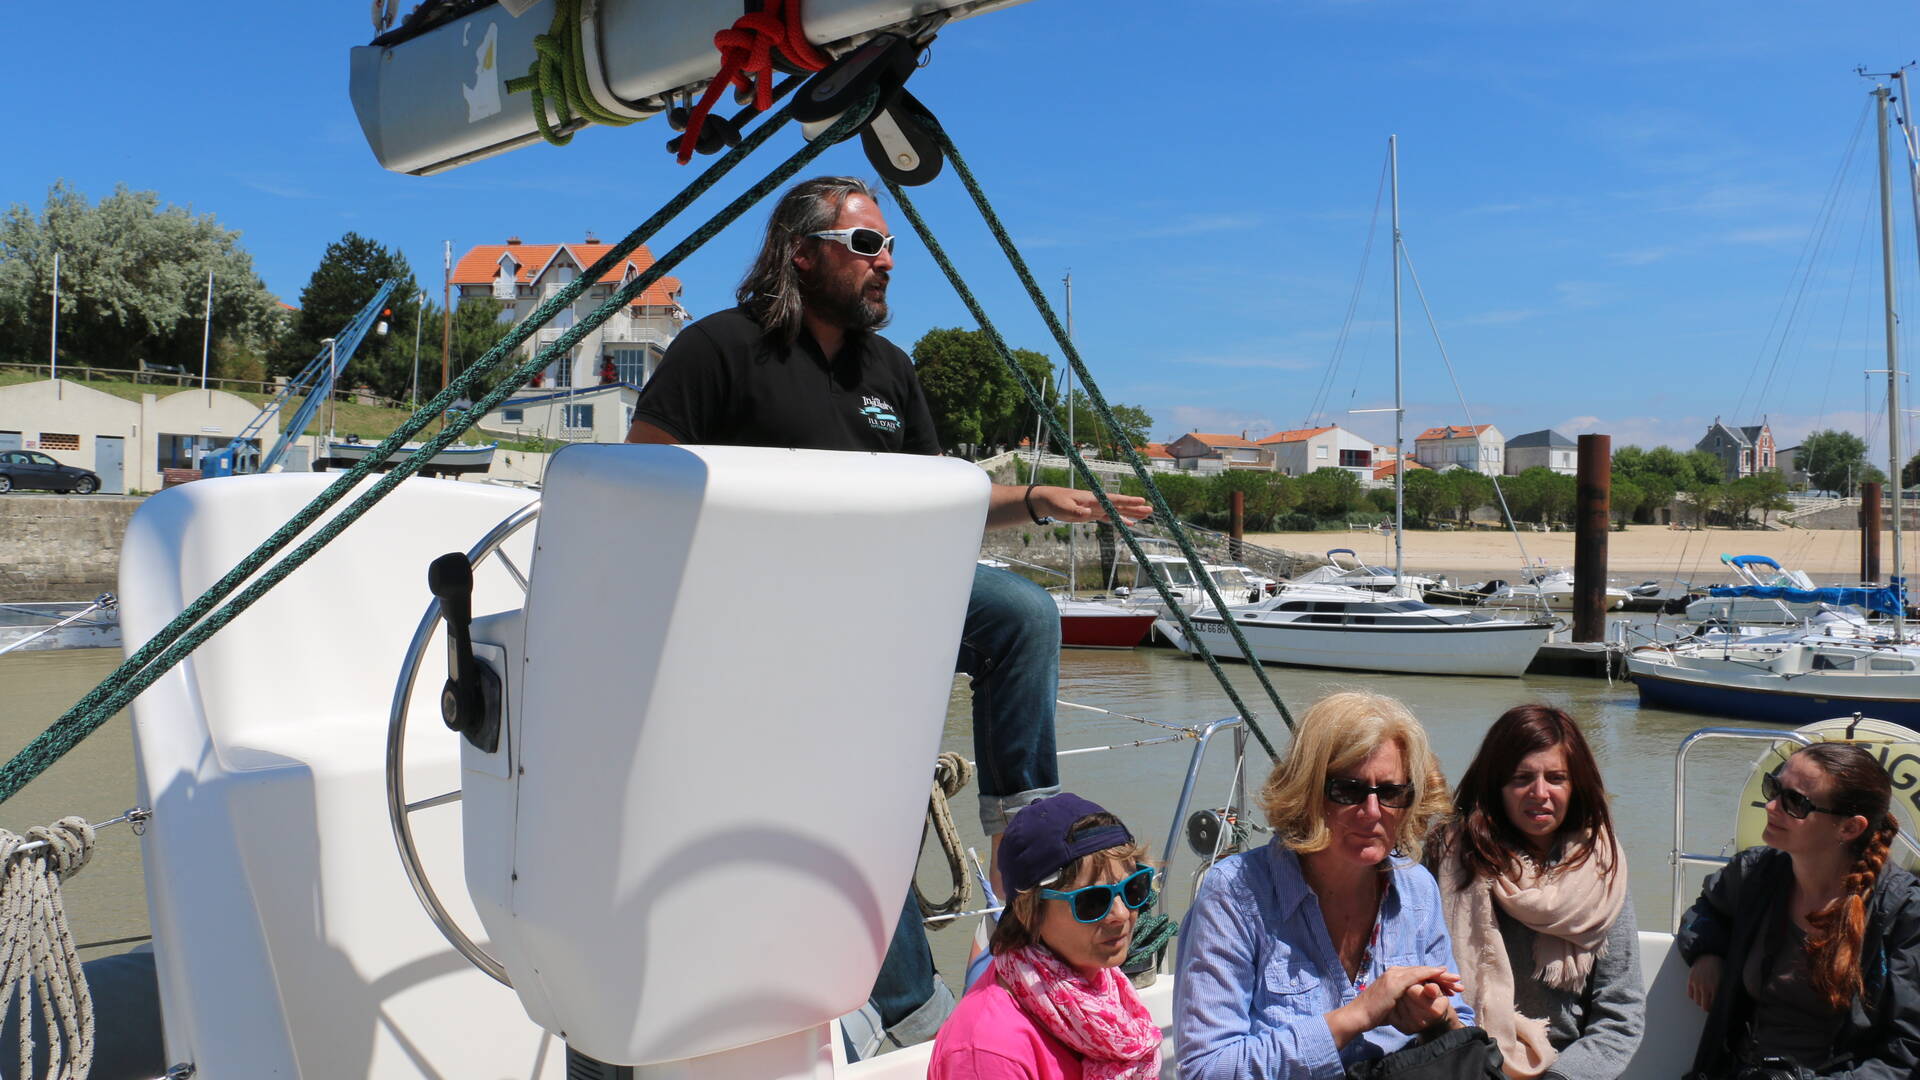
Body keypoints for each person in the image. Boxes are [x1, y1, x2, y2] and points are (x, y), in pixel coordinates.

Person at [625, 176, 1151, 1053]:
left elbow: (938, 502)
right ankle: (906, 1007)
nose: (887, 264)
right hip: (769, 616)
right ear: (803, 251)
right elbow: (642, 484)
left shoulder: (889, 372)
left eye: (890, 248)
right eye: (868, 246)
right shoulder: (720, 349)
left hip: (887, 596)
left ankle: (1025, 833)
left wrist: (1036, 502)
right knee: (864, 792)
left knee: (1020, 611)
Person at [1174, 690, 1473, 1080]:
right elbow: (1207, 1068)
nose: (1371, 812)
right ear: (1306, 792)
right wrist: (1357, 1016)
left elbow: (1459, 1025)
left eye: (1391, 792)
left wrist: (1437, 1016)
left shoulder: (1416, 888)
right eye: (1347, 791)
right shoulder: (1235, 893)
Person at [1678, 743, 1920, 1080]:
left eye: (1794, 802)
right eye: (1773, 787)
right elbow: (1706, 910)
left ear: (1849, 828)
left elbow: (1907, 1054)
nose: (1771, 805)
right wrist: (1706, 951)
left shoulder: (1904, 915)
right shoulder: (1755, 875)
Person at [1428, 704, 1644, 1080]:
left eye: (1556, 778)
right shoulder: (1447, 858)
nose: (1540, 793)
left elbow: (1620, 1013)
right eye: (1521, 778)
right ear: (1495, 784)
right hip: (1459, 1060)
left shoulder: (1604, 873)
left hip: (1561, 1067)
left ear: (1576, 785)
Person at [929, 792, 1161, 1079]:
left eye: (1133, 888)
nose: (1122, 914)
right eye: (1093, 901)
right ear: (1030, 910)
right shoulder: (989, 1051)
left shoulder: (1104, 987)